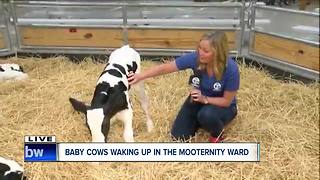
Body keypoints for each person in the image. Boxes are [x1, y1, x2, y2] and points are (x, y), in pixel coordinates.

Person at [128, 31, 240, 143]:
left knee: (206, 115)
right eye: (199, 48)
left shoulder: (230, 69)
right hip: (198, 99)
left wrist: (205, 99)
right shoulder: (195, 58)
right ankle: (199, 121)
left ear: (217, 53)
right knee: (178, 137)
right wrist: (140, 76)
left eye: (206, 51)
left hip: (223, 106)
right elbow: (166, 68)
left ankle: (217, 134)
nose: (200, 53)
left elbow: (226, 101)